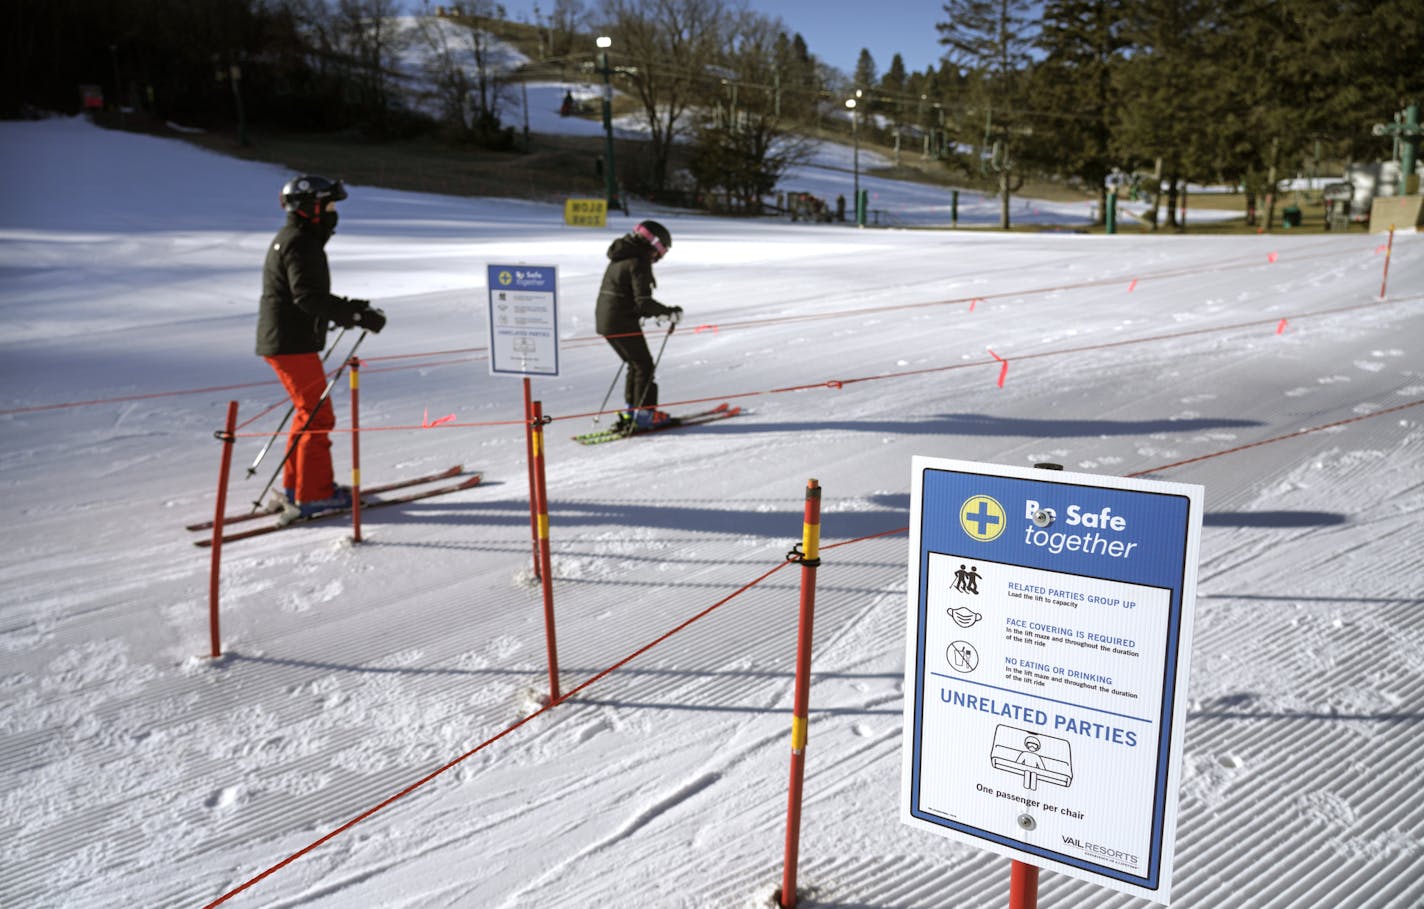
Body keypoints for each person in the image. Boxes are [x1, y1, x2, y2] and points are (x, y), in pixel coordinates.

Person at [257, 174, 386, 520]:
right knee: (318, 415)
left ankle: (297, 488)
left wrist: (351, 308)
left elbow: (307, 296)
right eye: (328, 205)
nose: (333, 213)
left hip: (287, 340)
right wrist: (355, 313)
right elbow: (308, 297)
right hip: (290, 343)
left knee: (308, 413)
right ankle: (314, 495)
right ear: (311, 207)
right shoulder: (300, 242)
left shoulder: (296, 238)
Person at [595, 220, 682, 430]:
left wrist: (656, 312)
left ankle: (632, 412)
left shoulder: (623, 255)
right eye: (662, 252)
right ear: (655, 245)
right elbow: (642, 301)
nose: (659, 258)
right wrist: (669, 313)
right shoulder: (638, 261)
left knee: (636, 364)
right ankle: (644, 416)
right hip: (620, 320)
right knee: (644, 366)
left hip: (608, 320)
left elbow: (634, 300)